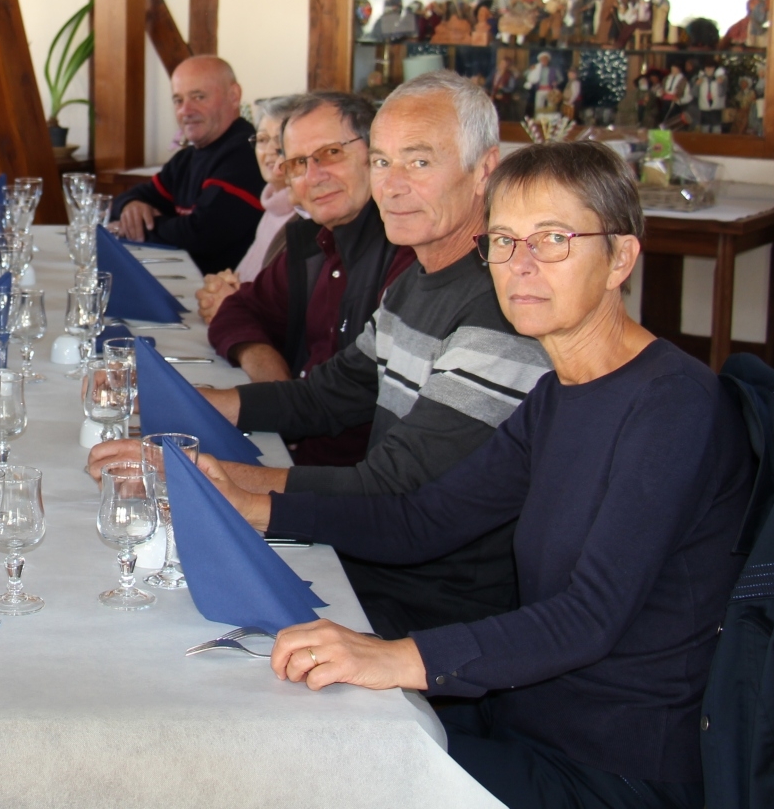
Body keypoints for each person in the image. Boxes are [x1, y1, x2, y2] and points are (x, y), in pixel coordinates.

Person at [245, 142, 751, 809]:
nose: (521, 266)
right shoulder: (559, 392)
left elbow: (589, 618)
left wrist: (394, 656)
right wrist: (254, 508)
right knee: (277, 717)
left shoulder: (672, 406)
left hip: (614, 767)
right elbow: (426, 519)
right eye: (505, 241)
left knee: (306, 773)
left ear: (620, 259)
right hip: (527, 716)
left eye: (553, 239)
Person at [97, 71, 552, 638]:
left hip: (429, 613)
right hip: (366, 559)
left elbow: (394, 489)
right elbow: (325, 396)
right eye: (382, 162)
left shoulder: (504, 311)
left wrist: (212, 481)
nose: (392, 186)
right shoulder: (418, 282)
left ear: (485, 169)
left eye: (419, 162)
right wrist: (169, 401)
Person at [206, 92, 414, 465]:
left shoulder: (405, 253)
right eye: (298, 163)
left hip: (349, 480)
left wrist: (219, 404)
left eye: (331, 153)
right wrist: (270, 373)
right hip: (291, 453)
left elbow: (351, 392)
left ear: (375, 155)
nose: (313, 177)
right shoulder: (313, 242)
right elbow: (238, 310)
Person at [109, 56, 264, 275]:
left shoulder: (247, 152)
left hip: (225, 291)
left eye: (198, 97)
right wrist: (130, 206)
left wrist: (135, 227)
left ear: (234, 96)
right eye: (178, 100)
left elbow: (204, 233)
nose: (185, 111)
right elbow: (134, 197)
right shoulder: (187, 158)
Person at [195, 94, 308, 324]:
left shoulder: (306, 216)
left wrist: (231, 300)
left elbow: (288, 310)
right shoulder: (272, 205)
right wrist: (224, 286)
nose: (271, 150)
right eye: (263, 139)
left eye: (281, 140)